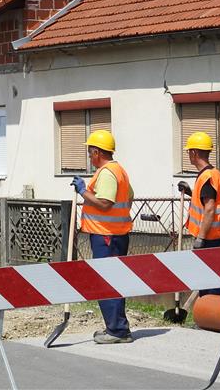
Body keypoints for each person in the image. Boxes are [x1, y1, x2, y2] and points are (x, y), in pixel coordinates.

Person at [71, 129, 134, 344]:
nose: (89, 156)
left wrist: (82, 191)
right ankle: (117, 327)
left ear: (97, 151)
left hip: (106, 236)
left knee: (107, 281)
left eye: (90, 152)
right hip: (115, 234)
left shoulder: (107, 173)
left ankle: (117, 330)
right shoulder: (119, 171)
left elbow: (105, 203)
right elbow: (129, 198)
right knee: (115, 280)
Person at [178, 131, 220, 297]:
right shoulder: (213, 173)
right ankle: (210, 317)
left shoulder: (206, 177)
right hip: (215, 236)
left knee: (209, 283)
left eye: (189, 152)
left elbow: (209, 208)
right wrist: (190, 192)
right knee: (209, 280)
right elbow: (206, 200)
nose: (189, 155)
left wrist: (200, 238)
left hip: (209, 239)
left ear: (194, 153)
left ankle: (210, 318)